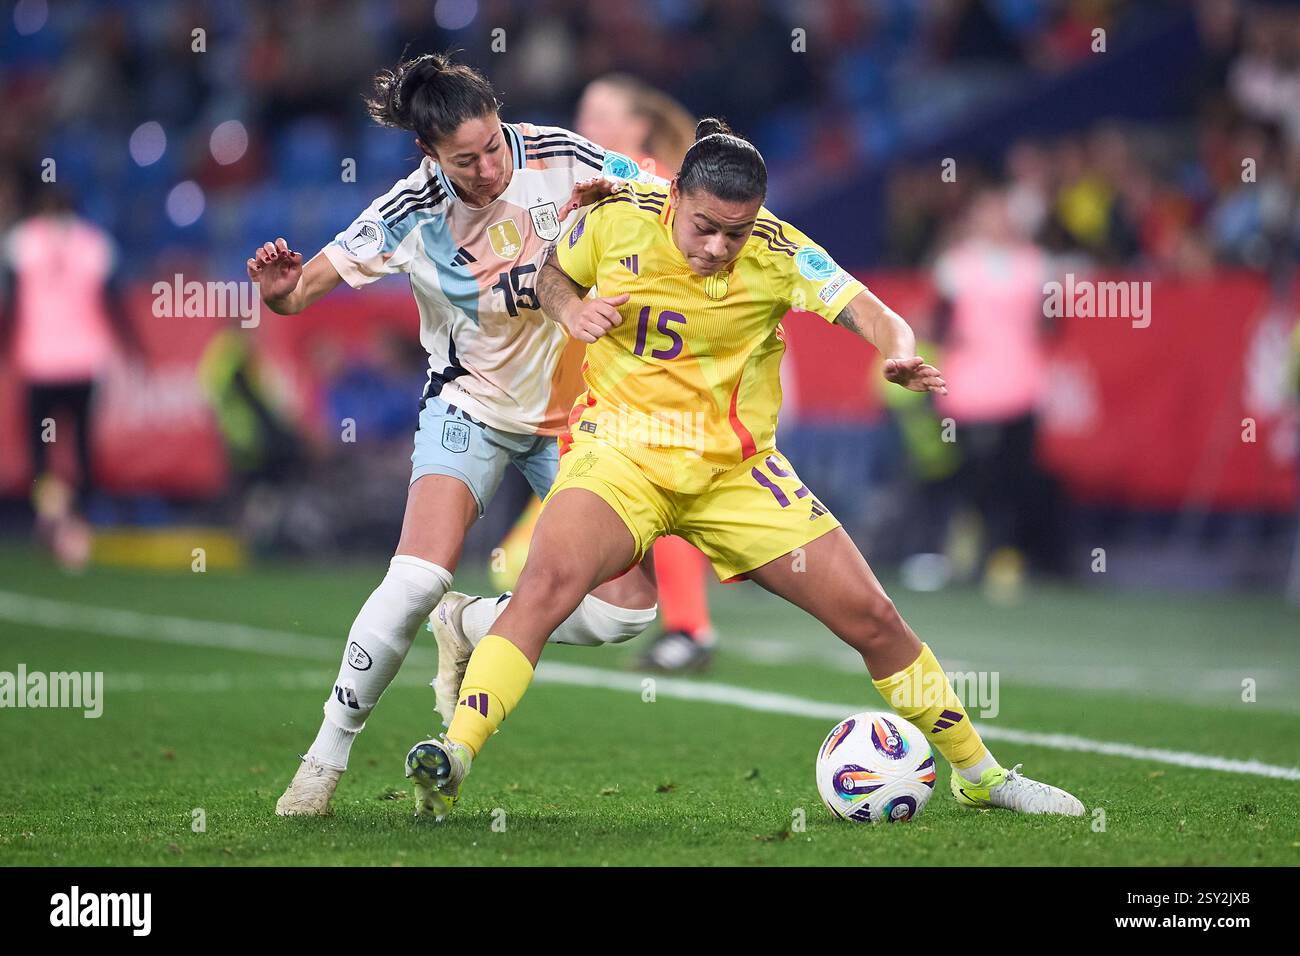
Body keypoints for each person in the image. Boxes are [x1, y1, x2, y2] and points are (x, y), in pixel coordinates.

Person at [403, 120, 1085, 821]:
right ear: (675, 198)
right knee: (547, 584)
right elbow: (551, 275)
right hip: (621, 454)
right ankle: (455, 752)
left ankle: (981, 773)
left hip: (737, 475)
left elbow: (872, 311)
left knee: (876, 619)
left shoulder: (778, 251)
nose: (720, 246)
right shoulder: (615, 219)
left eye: (737, 231)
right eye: (706, 228)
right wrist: (572, 307)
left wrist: (896, 350)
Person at [258, 52, 665, 817]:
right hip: (469, 407)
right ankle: (323, 759)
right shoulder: (409, 212)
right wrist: (282, 294)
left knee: (627, 614)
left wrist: (627, 192)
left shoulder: (559, 154)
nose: (487, 170)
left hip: (575, 421)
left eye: (491, 147)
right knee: (414, 578)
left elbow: (664, 197)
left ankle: (471, 622)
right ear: (429, 156)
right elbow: (301, 290)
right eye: (463, 161)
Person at [470, 72, 719, 673]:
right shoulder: (586, 182)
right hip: (585, 380)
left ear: (638, 127)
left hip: (636, 375)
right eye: (585, 111)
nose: (590, 123)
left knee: (664, 503)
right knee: (539, 556)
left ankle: (688, 627)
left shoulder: (640, 181)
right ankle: (668, 621)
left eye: (604, 114)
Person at [0, 187, 139, 569]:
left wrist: (7, 343)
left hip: (40, 362)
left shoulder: (22, 241)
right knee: (81, 447)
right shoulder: (93, 243)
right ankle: (79, 526)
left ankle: (51, 518)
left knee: (40, 449)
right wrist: (132, 344)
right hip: (84, 360)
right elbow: (112, 300)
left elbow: (10, 301)